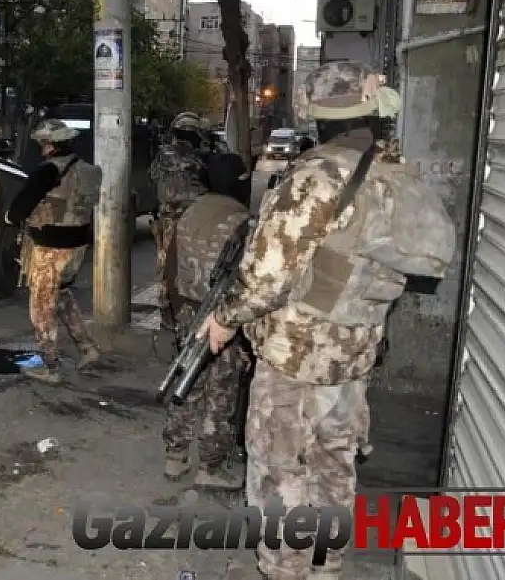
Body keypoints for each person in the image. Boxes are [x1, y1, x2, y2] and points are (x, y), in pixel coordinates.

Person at [197, 61, 455, 579]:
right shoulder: (392, 172)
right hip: (355, 355)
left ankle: (285, 570)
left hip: (296, 357)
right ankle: (325, 567)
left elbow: (267, 277)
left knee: (280, 473)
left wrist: (225, 320)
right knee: (334, 468)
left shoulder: (317, 175)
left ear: (317, 113)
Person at [160, 152, 252, 490]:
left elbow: (169, 266)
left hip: (187, 309)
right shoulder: (243, 220)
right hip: (222, 316)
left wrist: (169, 310)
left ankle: (175, 454)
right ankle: (211, 466)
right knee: (221, 389)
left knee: (186, 378)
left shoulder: (190, 211)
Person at [4, 119, 103, 385]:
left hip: (51, 246)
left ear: (49, 145)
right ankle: (87, 347)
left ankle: (50, 366)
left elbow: (19, 209)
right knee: (60, 296)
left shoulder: (47, 171)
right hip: (78, 245)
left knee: (41, 305)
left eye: (42, 144)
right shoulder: (89, 170)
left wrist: (9, 218)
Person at [149, 111, 209, 328]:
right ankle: (176, 310)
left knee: (168, 265)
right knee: (187, 265)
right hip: (192, 218)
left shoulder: (166, 155)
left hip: (175, 218)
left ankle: (169, 312)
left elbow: (154, 179)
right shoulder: (197, 157)